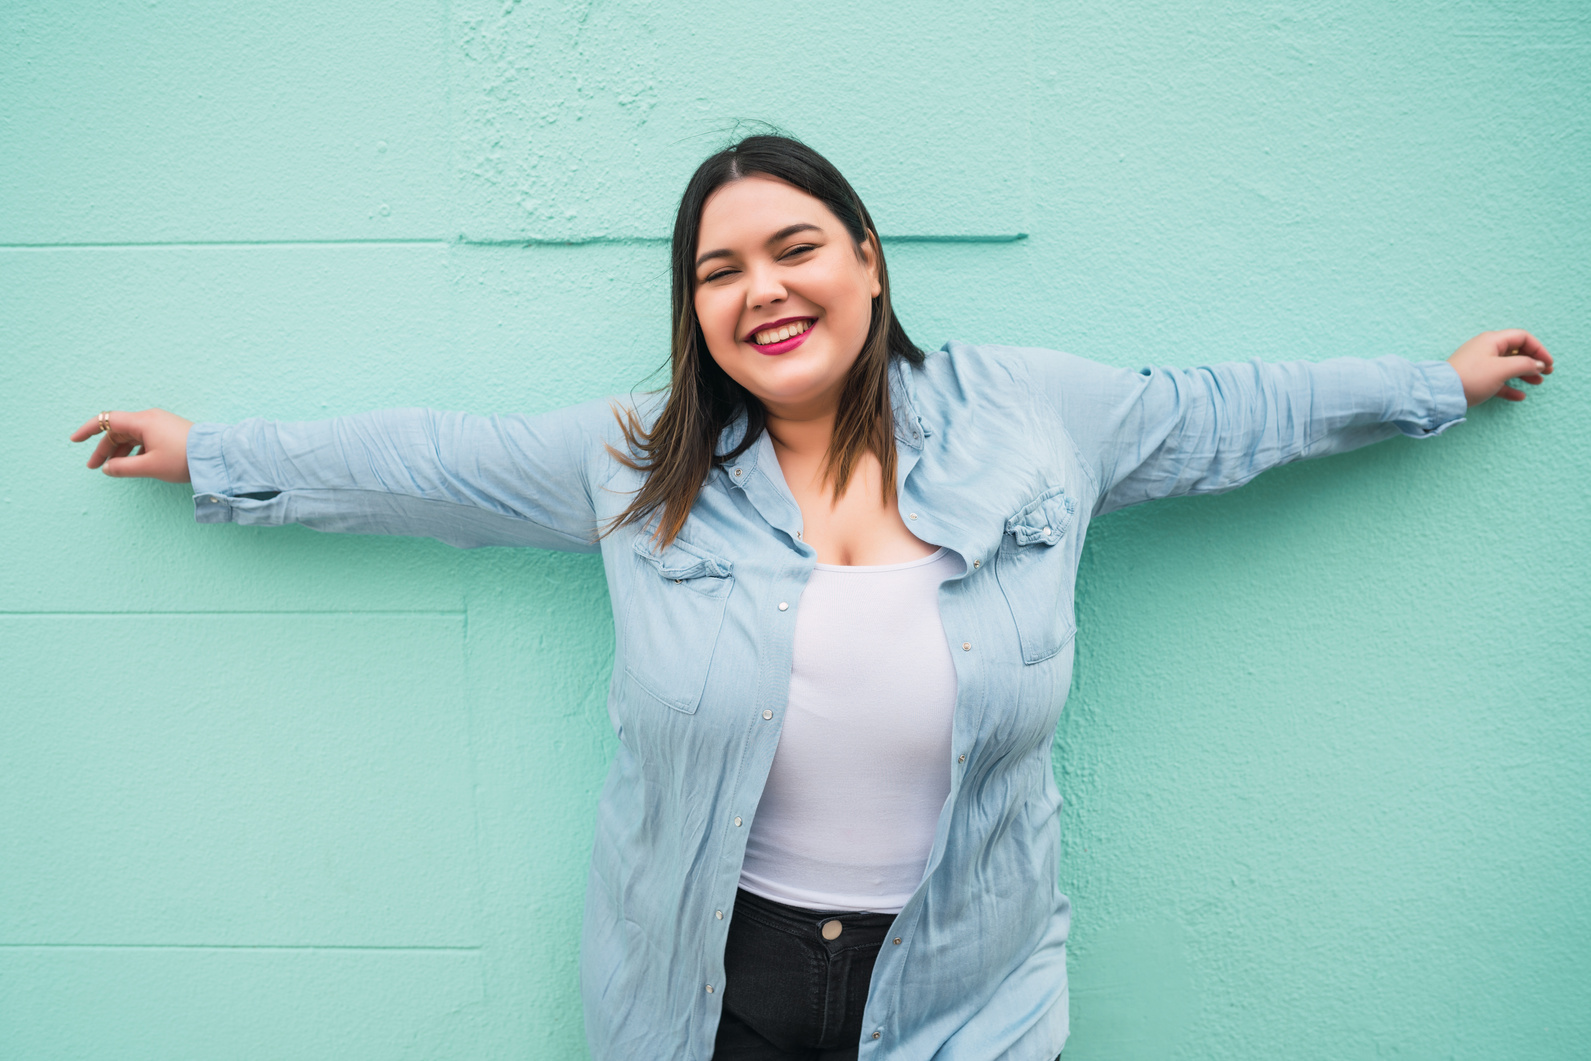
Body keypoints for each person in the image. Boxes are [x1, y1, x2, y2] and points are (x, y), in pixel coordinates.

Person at [72, 135, 1552, 1061]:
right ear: (697, 313)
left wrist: (1439, 385)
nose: (762, 289)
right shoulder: (634, 464)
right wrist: (212, 452)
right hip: (718, 982)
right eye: (720, 271)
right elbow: (425, 463)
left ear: (866, 261)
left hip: (969, 974)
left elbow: (1234, 412)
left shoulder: (1036, 414)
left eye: (793, 247)